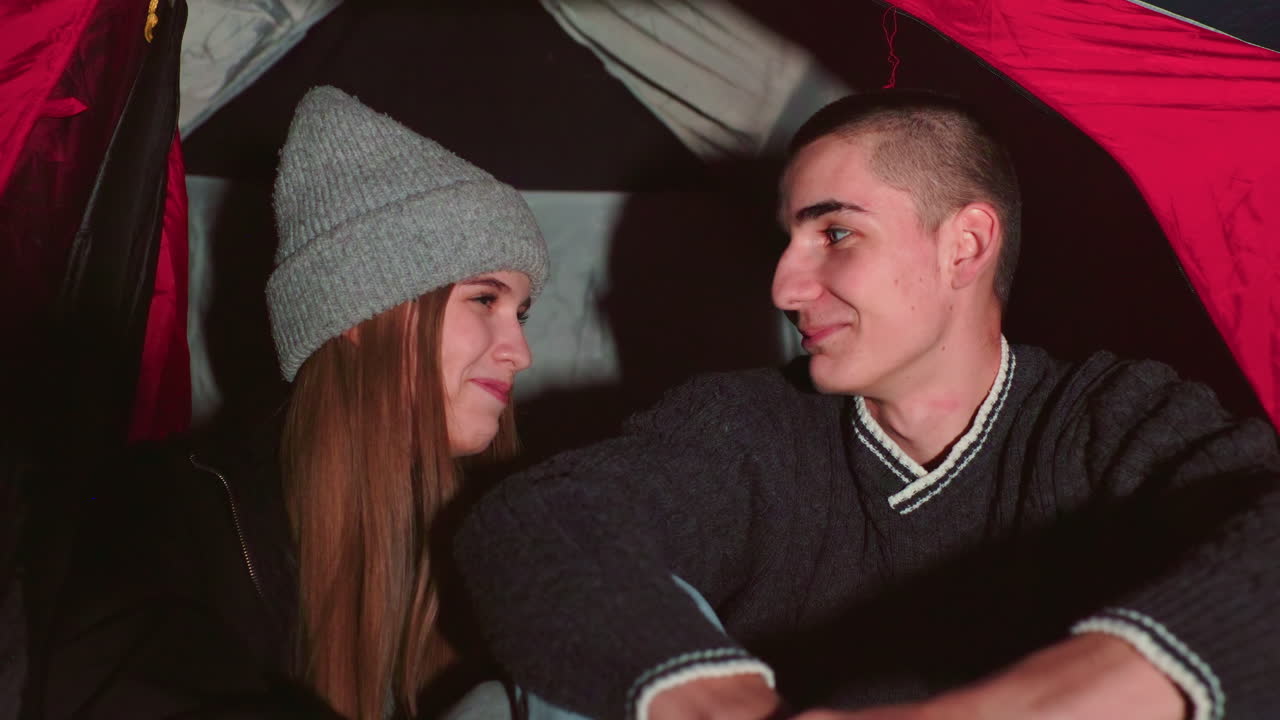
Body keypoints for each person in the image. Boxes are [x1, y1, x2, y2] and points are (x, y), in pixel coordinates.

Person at [453, 90, 1280, 720]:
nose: (783, 285)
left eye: (836, 233)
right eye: (787, 240)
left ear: (965, 245)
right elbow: (540, 520)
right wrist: (716, 697)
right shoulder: (749, 429)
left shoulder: (1108, 419)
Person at [36, 86, 548, 720]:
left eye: (521, 312)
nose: (519, 351)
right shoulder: (167, 512)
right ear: (361, 316)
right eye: (484, 300)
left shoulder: (508, 538)